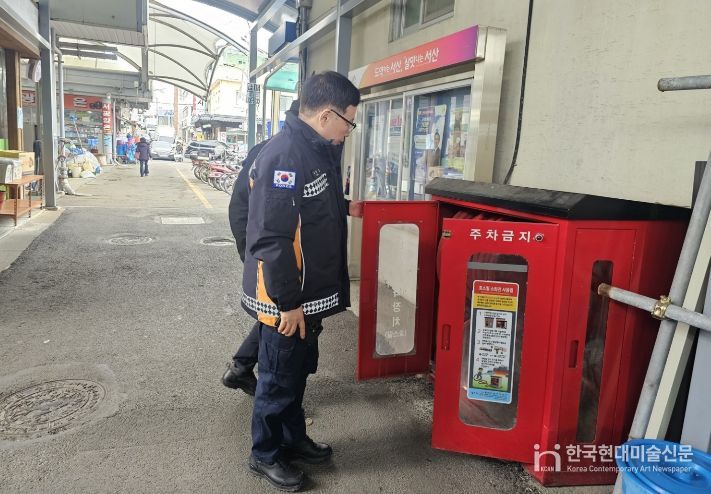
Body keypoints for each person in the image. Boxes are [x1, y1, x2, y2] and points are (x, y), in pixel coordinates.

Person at [242, 72, 361, 492]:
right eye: (349, 122)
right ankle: (265, 454)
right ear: (327, 115)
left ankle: (293, 439)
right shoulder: (285, 156)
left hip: (307, 297)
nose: (348, 131)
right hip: (286, 301)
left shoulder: (315, 150)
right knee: (277, 379)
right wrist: (288, 303)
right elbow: (271, 238)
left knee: (296, 374)